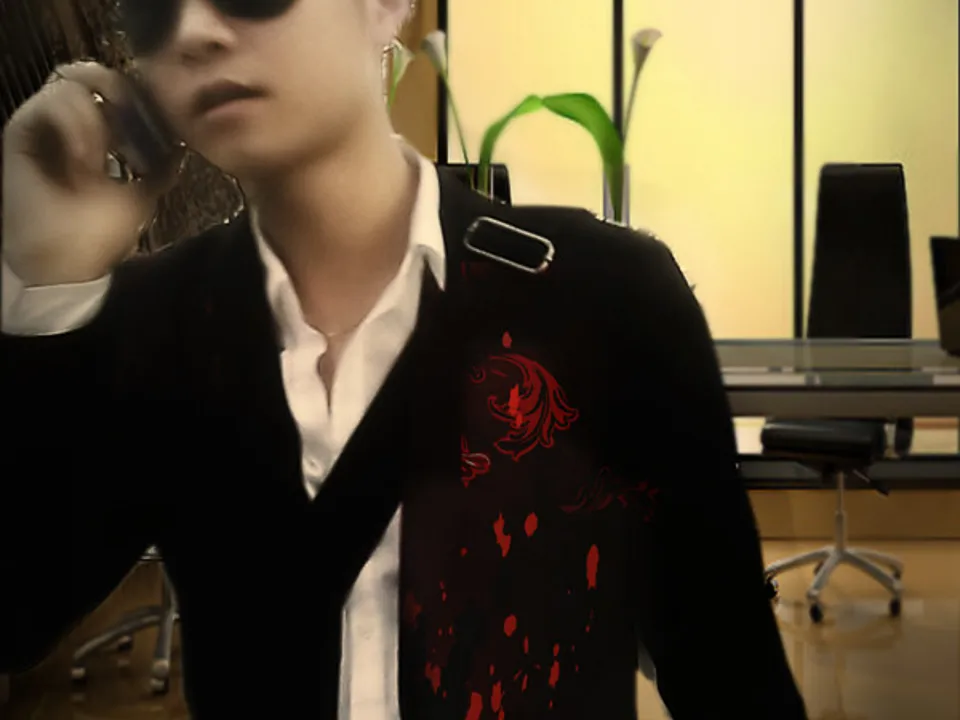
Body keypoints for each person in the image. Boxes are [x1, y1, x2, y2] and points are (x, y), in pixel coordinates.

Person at [0, 0, 808, 717]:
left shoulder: (606, 295)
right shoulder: (157, 320)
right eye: (154, 6)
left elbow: (731, 680)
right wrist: (41, 278)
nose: (195, 30)